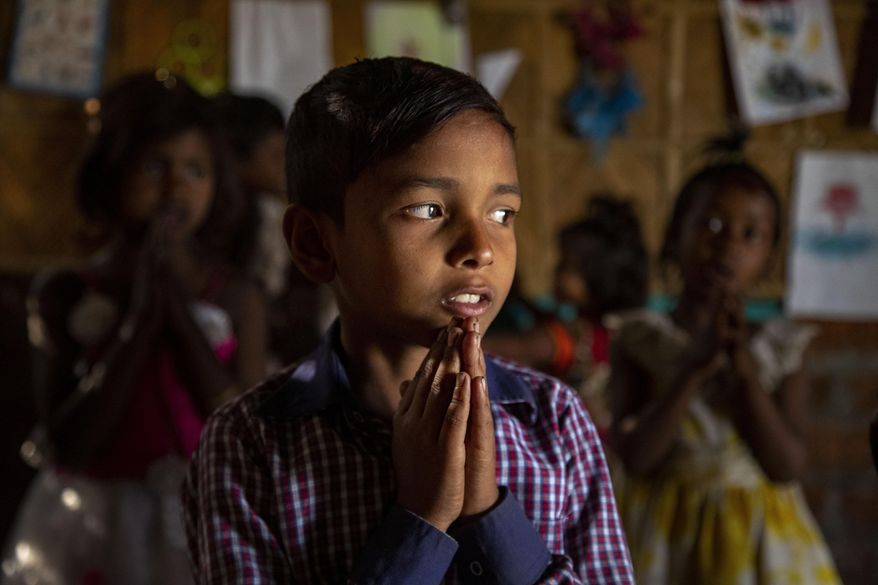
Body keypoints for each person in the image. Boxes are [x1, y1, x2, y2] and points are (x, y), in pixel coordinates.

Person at [183, 57, 634, 584]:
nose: (480, 249)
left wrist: (486, 510)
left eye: (502, 214)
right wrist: (421, 519)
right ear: (315, 244)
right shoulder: (250, 445)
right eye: (427, 210)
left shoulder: (555, 423)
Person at [2, 72, 267, 585]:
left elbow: (241, 431)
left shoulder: (236, 296)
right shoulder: (65, 291)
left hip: (199, 519)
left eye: (195, 170)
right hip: (89, 519)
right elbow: (68, 446)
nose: (175, 188)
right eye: (153, 166)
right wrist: (140, 324)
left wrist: (173, 312)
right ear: (112, 174)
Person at [608, 138, 841, 584]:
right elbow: (636, 456)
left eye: (751, 233)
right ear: (676, 235)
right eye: (711, 224)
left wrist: (745, 372)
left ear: (770, 255)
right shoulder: (640, 340)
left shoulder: (780, 347)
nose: (728, 244)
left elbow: (786, 466)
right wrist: (692, 370)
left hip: (759, 545)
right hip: (663, 540)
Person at [484, 195, 648, 437]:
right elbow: (549, 322)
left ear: (597, 280)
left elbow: (506, 347)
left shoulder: (570, 338)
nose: (556, 271)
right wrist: (521, 300)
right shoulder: (613, 331)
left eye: (567, 266)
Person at [212, 92, 335, 369]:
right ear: (234, 159)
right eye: (274, 155)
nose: (284, 166)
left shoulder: (281, 210)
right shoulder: (259, 213)